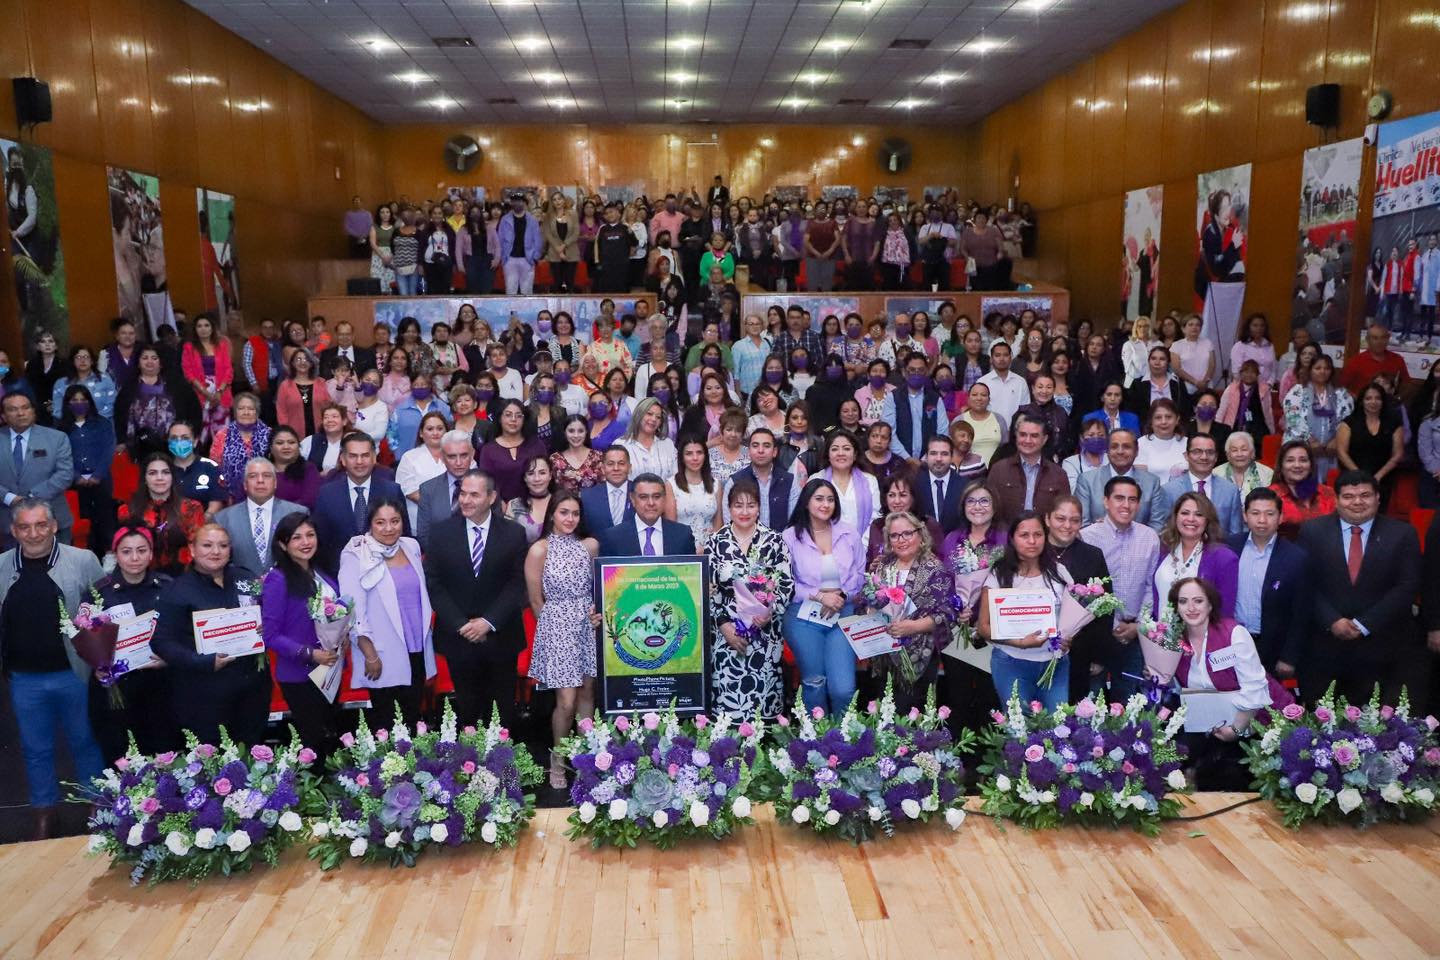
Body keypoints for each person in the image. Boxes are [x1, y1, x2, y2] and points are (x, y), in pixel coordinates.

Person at [0, 498, 105, 838]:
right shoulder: (1, 566)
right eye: (25, 527)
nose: (34, 534)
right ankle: (44, 811)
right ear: (14, 531)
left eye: (41, 525)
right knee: (35, 748)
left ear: (55, 525)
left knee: (85, 741)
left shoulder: (83, 560)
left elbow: (105, 612)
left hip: (73, 674)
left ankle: (97, 804)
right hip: (23, 678)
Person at [1296, 471, 1419, 704]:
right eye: (1349, 496)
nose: (1357, 502)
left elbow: (1407, 586)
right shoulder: (1312, 531)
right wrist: (1332, 620)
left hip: (1380, 647)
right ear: (1336, 500)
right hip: (1324, 646)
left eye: (1365, 495)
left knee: (1376, 729)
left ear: (1378, 498)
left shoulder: (1402, 534)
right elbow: (1304, 584)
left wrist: (1364, 624)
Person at [1166, 576, 1293, 790]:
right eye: (1183, 601)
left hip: (1260, 723)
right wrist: (1159, 673)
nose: (1191, 608)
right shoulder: (1176, 640)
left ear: (1210, 604)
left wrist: (1236, 728)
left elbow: (1255, 690)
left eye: (1198, 601)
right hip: (1214, 724)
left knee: (1236, 784)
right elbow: (1182, 688)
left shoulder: (1234, 633)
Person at [151, 523, 271, 748]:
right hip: (204, 692)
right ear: (192, 550)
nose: (216, 552)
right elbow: (161, 642)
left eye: (223, 546)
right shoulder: (176, 591)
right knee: (212, 764)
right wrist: (202, 662)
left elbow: (268, 614)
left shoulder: (246, 579)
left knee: (253, 754)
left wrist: (267, 626)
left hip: (252, 689)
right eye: (207, 545)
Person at [425, 470, 527, 729]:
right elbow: (435, 585)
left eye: (474, 494)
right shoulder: (440, 533)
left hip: (501, 636)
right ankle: (470, 767)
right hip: (459, 637)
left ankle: (505, 768)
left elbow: (516, 584)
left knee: (502, 715)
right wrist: (462, 624)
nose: (466, 500)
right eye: (463, 493)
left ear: (492, 497)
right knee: (467, 714)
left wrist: (488, 622)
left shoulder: (514, 533)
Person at [525, 491, 601, 788]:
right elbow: (534, 601)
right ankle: (557, 760)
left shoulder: (590, 546)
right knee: (566, 701)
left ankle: (584, 761)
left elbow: (599, 588)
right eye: (564, 512)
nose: (570, 519)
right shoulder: (539, 550)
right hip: (556, 626)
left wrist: (594, 615)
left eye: (575, 514)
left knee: (586, 695)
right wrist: (554, 630)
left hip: (586, 624)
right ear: (552, 515)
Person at [261, 513, 344, 762]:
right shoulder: (278, 579)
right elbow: (270, 634)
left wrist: (343, 636)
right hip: (299, 674)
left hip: (330, 669)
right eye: (296, 537)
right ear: (283, 545)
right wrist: (309, 653)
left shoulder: (321, 572)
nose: (306, 542)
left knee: (329, 736)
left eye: (310, 535)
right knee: (312, 741)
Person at [87, 524, 173, 761]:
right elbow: (87, 639)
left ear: (151, 553)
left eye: (141, 550)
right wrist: (98, 665)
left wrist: (170, 657)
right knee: (120, 756)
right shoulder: (99, 593)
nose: (135, 558)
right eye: (126, 551)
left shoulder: (168, 587)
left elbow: (181, 633)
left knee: (162, 755)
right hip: (118, 688)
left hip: (160, 685)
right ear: (116, 555)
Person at [782, 479, 864, 714]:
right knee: (814, 682)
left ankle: (845, 742)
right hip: (803, 617)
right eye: (819, 498)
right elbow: (783, 583)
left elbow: (860, 574)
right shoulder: (789, 537)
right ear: (806, 502)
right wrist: (818, 596)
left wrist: (844, 594)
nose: (825, 504)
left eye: (830, 499)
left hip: (843, 614)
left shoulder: (848, 533)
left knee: (843, 689)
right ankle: (816, 743)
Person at [859, 510, 955, 712]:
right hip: (882, 654)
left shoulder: (935, 569)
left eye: (907, 534)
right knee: (885, 714)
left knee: (911, 718)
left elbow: (946, 614)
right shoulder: (883, 566)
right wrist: (869, 612)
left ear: (920, 535)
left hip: (918, 655)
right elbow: (868, 600)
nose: (901, 540)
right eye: (894, 535)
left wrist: (912, 627)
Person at [976, 512, 1073, 710]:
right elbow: (983, 627)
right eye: (1024, 535)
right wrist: (1018, 642)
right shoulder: (999, 574)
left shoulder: (1059, 572)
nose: (1032, 541)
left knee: (1056, 727)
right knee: (1018, 731)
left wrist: (1069, 636)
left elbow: (1073, 618)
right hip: (1011, 662)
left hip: (1055, 664)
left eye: (1038, 535)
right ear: (1012, 539)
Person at [1079, 476, 1161, 698]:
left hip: (1134, 636)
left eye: (1132, 499)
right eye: (1119, 498)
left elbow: (1150, 587)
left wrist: (1138, 626)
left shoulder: (1150, 538)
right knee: (1091, 706)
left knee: (1129, 705)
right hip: (1096, 634)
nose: (1126, 505)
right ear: (1106, 501)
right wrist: (1113, 625)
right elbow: (1081, 592)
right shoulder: (1087, 537)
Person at [1226, 487, 1308, 678]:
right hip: (1231, 644)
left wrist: (1289, 657)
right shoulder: (1229, 547)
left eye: (1269, 514)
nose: (1262, 520)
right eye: (1255, 513)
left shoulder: (1296, 557)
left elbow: (1301, 613)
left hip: (1272, 648)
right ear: (1245, 516)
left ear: (1280, 518)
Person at [1044, 495, 1112, 703]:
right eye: (1060, 518)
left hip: (1079, 653)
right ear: (1047, 519)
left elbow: (1104, 608)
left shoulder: (1092, 555)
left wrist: (1098, 656)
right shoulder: (1033, 551)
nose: (1067, 525)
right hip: (1034, 649)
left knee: (1071, 714)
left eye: (1074, 520)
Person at [312, 432, 408, 570]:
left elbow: (404, 536)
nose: (359, 461)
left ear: (374, 458)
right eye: (353, 456)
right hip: (340, 573)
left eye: (365, 455)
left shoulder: (392, 491)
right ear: (343, 459)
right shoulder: (327, 494)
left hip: (386, 571)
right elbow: (321, 541)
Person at [0, 392, 74, 549]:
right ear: (3, 416)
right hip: (7, 522)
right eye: (13, 409)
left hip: (52, 520)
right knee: (13, 571)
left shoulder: (57, 438)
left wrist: (31, 497)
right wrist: (8, 497)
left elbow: (65, 474)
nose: (20, 413)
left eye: (25, 408)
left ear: (33, 411)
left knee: (59, 571)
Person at [214, 457, 305, 582]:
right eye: (253, 476)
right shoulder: (223, 519)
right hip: (239, 591)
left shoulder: (297, 513)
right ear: (245, 485)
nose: (260, 481)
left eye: (266, 476)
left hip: (288, 588)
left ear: (275, 483)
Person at [117, 453, 208, 574]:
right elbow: (125, 550)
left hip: (183, 576)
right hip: (141, 577)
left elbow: (198, 548)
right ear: (144, 478)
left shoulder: (191, 508)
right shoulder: (128, 511)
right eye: (152, 473)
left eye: (165, 472)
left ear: (172, 477)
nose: (159, 477)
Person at [1153, 491, 1239, 617]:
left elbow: (1224, 612)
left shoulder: (1224, 558)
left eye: (1199, 514)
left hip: (1201, 635)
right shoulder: (1162, 550)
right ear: (1175, 517)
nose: (1191, 519)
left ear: (1207, 521)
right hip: (1160, 634)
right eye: (1185, 513)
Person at [986, 414, 1070, 524]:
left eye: (1034, 436)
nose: (1027, 440)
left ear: (1044, 439)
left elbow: (1064, 513)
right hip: (1005, 538)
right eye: (1023, 435)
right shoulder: (999, 470)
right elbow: (988, 507)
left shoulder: (1058, 474)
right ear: (1016, 436)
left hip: (1045, 538)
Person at [1153, 434, 1243, 536]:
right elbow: (1164, 530)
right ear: (1186, 456)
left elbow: (1236, 534)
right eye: (1197, 452)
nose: (1204, 457)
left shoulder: (1230, 491)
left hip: (1220, 549)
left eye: (1210, 452)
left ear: (1216, 457)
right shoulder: (1169, 490)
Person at [1073, 429, 1162, 526]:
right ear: (1107, 450)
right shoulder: (1087, 480)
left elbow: (1157, 525)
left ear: (1136, 451)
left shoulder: (1152, 482)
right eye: (1114, 447)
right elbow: (1080, 523)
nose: (1120, 451)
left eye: (1126, 447)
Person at [1337, 382, 1405, 507]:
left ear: (1383, 401)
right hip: (1352, 477)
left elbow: (1398, 454)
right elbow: (1341, 453)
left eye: (1377, 398)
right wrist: (1360, 475)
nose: (1373, 402)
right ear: (1362, 401)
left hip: (1382, 478)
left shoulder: (1394, 422)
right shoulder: (1349, 423)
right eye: (1368, 398)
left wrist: (1378, 477)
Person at [596, 472, 697, 556]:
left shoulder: (683, 535)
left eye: (656, 496)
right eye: (643, 497)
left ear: (665, 498)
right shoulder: (612, 537)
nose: (651, 503)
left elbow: (691, 576)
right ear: (632, 499)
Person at [721, 429, 800, 530]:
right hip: (743, 543)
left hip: (781, 543)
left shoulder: (789, 481)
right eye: (755, 446)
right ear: (749, 451)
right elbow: (729, 524)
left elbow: (793, 524)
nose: (760, 450)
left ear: (775, 452)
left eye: (766, 446)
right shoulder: (735, 482)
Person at [884, 353, 950, 463]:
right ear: (904, 372)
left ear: (927, 372)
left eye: (920, 370)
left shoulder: (935, 399)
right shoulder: (893, 397)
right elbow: (889, 432)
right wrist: (907, 458)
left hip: (929, 461)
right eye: (911, 370)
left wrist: (925, 459)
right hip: (899, 460)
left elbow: (942, 432)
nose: (916, 373)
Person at [1269, 439, 1336, 539]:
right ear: (1281, 466)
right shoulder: (1269, 496)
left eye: (1303, 460)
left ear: (1311, 465)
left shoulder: (1328, 493)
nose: (1297, 465)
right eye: (1290, 460)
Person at [396, 410, 451, 529]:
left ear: (446, 431)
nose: (435, 433)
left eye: (440, 428)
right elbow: (409, 490)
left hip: (452, 520)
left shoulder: (456, 455)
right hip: (418, 522)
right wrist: (440, 507)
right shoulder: (409, 457)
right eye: (430, 429)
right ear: (421, 433)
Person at [664, 437, 721, 552]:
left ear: (705, 456)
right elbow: (671, 526)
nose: (695, 458)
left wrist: (708, 547)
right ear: (682, 458)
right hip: (681, 549)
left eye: (699, 453)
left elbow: (718, 524)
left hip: (710, 549)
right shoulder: (671, 485)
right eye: (689, 454)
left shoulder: (716, 484)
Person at [1340, 323, 1409, 394]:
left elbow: (1406, 387)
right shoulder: (1355, 362)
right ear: (1367, 339)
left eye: (1383, 337)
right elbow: (1342, 388)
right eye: (1375, 338)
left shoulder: (1398, 360)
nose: (1379, 342)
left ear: (1388, 338)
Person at [1125, 346, 1191, 420]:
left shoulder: (1177, 383)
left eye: (1162, 359)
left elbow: (1186, 411)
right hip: (1146, 429)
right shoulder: (1138, 384)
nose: (1157, 363)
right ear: (1148, 361)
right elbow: (1131, 412)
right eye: (1153, 358)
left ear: (1168, 362)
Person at [497, 192, 545, 294]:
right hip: (509, 259)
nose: (517, 203)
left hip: (527, 259)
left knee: (527, 291)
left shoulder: (532, 220)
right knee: (510, 290)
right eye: (514, 201)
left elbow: (537, 240)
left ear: (525, 203)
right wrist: (502, 257)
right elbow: (499, 240)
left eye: (520, 201)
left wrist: (535, 257)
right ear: (511, 203)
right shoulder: (505, 219)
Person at [975, 341, 1031, 426]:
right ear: (991, 359)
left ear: (1011, 357)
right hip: (989, 432)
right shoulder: (982, 382)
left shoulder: (1020, 382)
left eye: (1005, 355)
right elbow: (978, 410)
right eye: (997, 355)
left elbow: (1025, 411)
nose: (1001, 359)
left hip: (1015, 432)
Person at [1215, 431, 1274, 498]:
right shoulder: (1216, 474)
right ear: (1227, 454)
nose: (1239, 454)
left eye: (1244, 449)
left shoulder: (1267, 473)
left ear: (1252, 452)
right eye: (1234, 450)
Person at [1170, 313, 1217, 395]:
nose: (1194, 327)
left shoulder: (1207, 343)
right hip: (1185, 388)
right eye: (1190, 324)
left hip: (1206, 386)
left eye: (1197, 325)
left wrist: (1204, 381)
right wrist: (1195, 382)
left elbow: (1212, 365)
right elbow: (1177, 368)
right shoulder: (1176, 345)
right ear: (1183, 328)